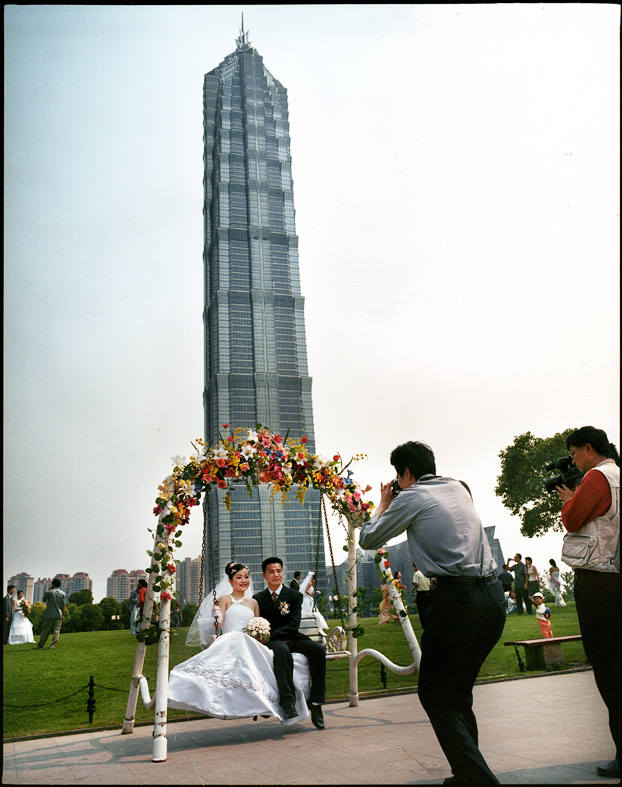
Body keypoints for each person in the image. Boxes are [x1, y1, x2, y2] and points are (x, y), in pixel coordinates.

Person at [359, 440, 505, 785]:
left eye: (400, 476)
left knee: (435, 693)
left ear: (405, 473)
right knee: (457, 691)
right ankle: (467, 773)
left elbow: (368, 538)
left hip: (458, 601)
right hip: (493, 598)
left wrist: (384, 502)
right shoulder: (457, 487)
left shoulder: (412, 496)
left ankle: (479, 779)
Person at [169, 562, 310, 724]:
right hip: (231, 640)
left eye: (246, 577)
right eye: (239, 577)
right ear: (230, 581)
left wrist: (261, 631)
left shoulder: (253, 602)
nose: (244, 581)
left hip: (250, 642)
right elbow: (219, 625)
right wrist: (217, 617)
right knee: (239, 643)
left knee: (270, 656)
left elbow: (259, 623)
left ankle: (275, 702)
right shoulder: (224, 599)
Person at [556, 425, 620, 779]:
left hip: (598, 580)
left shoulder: (597, 477)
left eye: (575, 453)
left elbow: (573, 518)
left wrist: (569, 499)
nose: (575, 461)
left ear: (589, 449)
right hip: (617, 572)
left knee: (607, 665)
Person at [254, 557, 327, 730]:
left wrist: (274, 634)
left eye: (278, 571)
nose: (275, 575)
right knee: (281, 651)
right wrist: (271, 637)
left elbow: (293, 624)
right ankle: (288, 703)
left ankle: (316, 703)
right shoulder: (258, 598)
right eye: (271, 572)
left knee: (318, 650)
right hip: (273, 642)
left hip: (293, 637)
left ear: (282, 573)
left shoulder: (294, 596)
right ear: (264, 575)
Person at [33, 578, 66, 650]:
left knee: (45, 630)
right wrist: (63, 615)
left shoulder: (50, 592)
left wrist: (49, 589)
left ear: (53, 585)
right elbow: (63, 605)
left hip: (50, 615)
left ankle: (40, 645)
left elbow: (44, 600)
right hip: (59, 615)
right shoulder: (63, 593)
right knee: (56, 631)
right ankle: (53, 645)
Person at [412, 563, 433, 628]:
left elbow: (416, 583)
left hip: (421, 593)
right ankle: (429, 623)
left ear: (416, 567)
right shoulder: (424, 573)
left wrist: (413, 589)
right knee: (427, 608)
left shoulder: (416, 574)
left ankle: (424, 624)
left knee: (422, 609)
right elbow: (429, 584)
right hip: (427, 592)